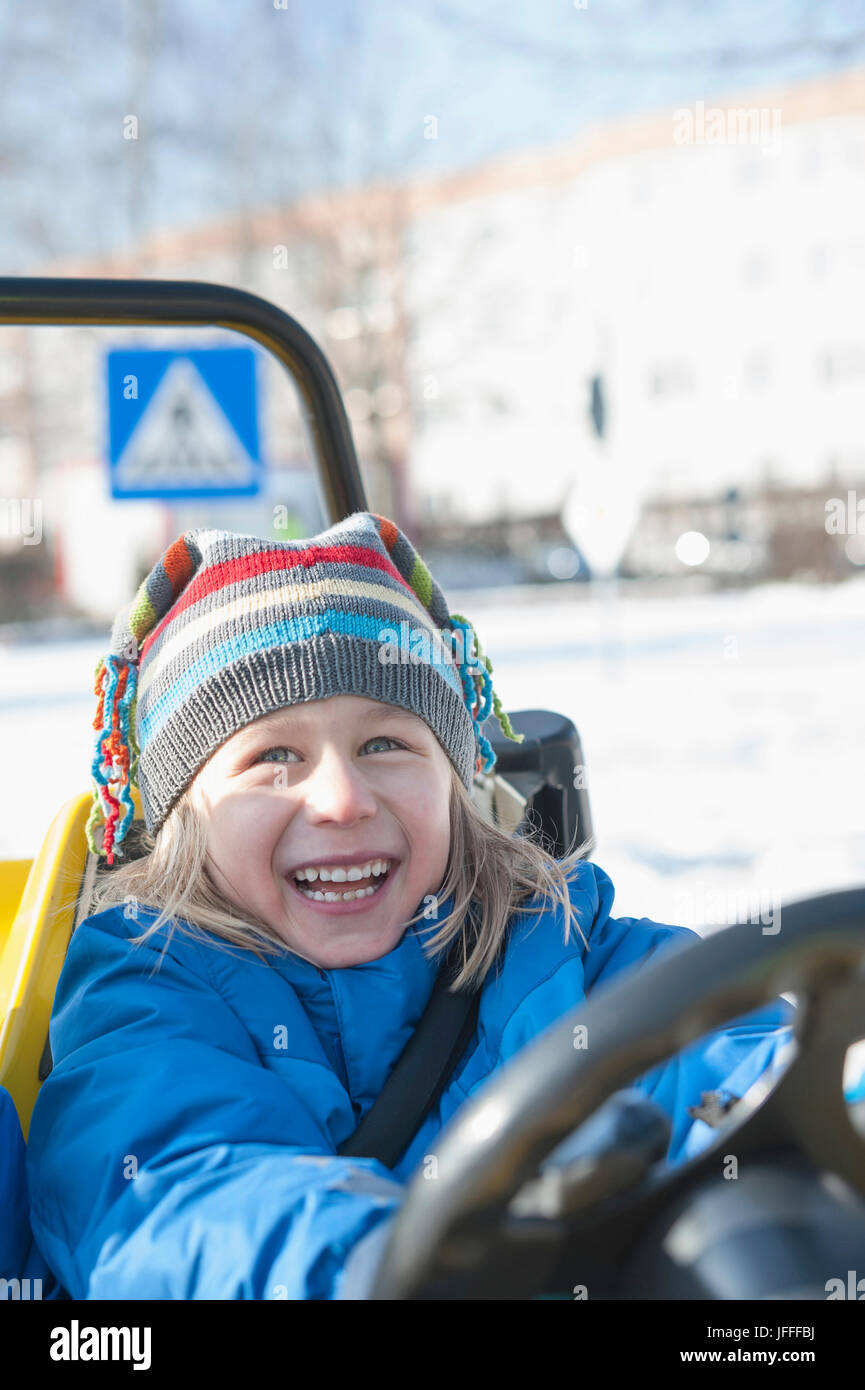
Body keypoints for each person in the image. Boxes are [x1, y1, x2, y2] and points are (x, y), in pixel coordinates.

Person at [26, 510, 799, 1300]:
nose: (340, 799)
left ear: (456, 783)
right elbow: (172, 1191)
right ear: (185, 816)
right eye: (273, 757)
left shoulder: (566, 948)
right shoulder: (148, 984)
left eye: (386, 745)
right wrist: (374, 1266)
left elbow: (735, 1052)